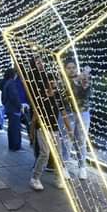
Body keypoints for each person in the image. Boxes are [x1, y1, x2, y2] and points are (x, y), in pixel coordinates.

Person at [28, 56, 70, 191]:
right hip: (42, 129)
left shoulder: (58, 97)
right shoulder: (41, 97)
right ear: (46, 83)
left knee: (58, 155)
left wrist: (69, 129)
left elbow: (64, 114)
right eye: (51, 82)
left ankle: (58, 179)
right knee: (45, 154)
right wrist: (32, 132)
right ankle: (35, 178)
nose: (54, 84)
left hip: (54, 129)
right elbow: (35, 117)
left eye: (55, 82)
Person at [60, 59, 92, 180]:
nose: (72, 70)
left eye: (73, 67)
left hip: (83, 112)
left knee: (81, 140)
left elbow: (87, 95)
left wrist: (85, 83)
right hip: (68, 113)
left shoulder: (83, 79)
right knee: (66, 141)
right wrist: (77, 80)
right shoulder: (62, 80)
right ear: (65, 69)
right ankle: (64, 166)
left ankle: (82, 167)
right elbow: (64, 94)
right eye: (69, 68)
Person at [2, 68, 22, 151]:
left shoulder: (7, 83)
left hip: (9, 108)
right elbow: (14, 97)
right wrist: (20, 106)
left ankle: (11, 145)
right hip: (14, 109)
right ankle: (16, 145)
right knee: (15, 128)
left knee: (11, 127)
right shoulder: (12, 83)